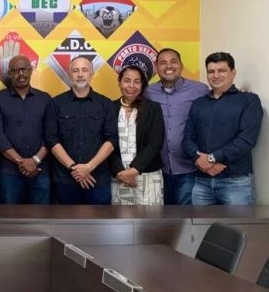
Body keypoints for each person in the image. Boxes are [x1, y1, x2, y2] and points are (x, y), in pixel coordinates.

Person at [182, 52, 263, 205]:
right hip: (202, 181)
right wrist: (200, 160)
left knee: (238, 222)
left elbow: (247, 140)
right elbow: (187, 139)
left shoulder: (249, 100)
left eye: (221, 70)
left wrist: (212, 158)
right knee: (200, 222)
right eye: (211, 71)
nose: (216, 75)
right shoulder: (199, 103)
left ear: (233, 73)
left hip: (236, 182)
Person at [46, 56, 118, 205]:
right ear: (69, 74)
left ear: (92, 74)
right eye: (75, 70)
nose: (80, 74)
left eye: (85, 70)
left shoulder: (106, 104)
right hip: (66, 179)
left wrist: (88, 167)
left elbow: (111, 140)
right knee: (66, 220)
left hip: (97, 180)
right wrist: (74, 168)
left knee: (100, 220)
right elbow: (52, 139)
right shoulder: (55, 103)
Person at [145, 48, 209, 205]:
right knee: (160, 216)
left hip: (190, 168)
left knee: (186, 217)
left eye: (173, 61)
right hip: (157, 170)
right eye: (163, 62)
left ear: (181, 65)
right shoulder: (147, 92)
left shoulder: (200, 90)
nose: (169, 66)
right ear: (156, 67)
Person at [0, 55, 52, 204]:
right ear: (9, 74)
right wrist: (22, 162)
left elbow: (51, 134)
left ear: (31, 70)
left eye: (24, 69)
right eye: (15, 70)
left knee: (41, 217)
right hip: (10, 172)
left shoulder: (45, 99)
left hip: (40, 170)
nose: (20, 74)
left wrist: (35, 160)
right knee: (11, 217)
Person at [108, 66, 164, 205]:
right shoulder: (109, 108)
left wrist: (134, 170)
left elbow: (155, 143)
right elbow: (105, 142)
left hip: (147, 176)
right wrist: (120, 172)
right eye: (127, 80)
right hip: (119, 176)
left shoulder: (153, 108)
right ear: (119, 82)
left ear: (142, 84)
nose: (131, 86)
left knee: (149, 218)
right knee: (121, 218)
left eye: (137, 81)